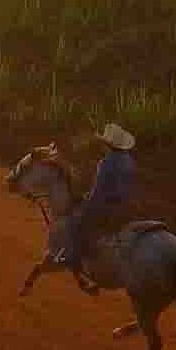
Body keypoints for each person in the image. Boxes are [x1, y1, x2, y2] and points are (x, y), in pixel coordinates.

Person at [52, 123, 138, 293]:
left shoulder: (106, 162)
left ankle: (69, 256)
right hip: (126, 206)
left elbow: (98, 192)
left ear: (108, 144)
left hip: (106, 206)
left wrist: (86, 200)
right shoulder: (129, 161)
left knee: (74, 225)